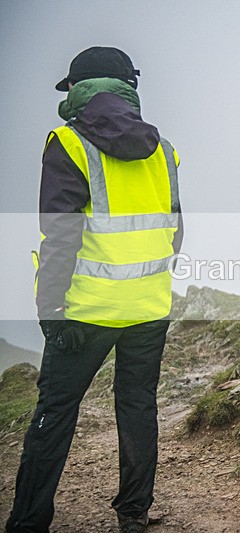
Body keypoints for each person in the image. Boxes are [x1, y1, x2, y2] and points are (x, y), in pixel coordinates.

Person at [5, 47, 183, 533]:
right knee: (137, 404)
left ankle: (28, 522)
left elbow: (59, 233)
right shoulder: (163, 148)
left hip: (84, 309)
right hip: (148, 305)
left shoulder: (67, 143)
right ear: (129, 88)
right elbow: (175, 227)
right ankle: (134, 514)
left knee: (56, 412)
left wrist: (50, 309)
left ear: (77, 92)